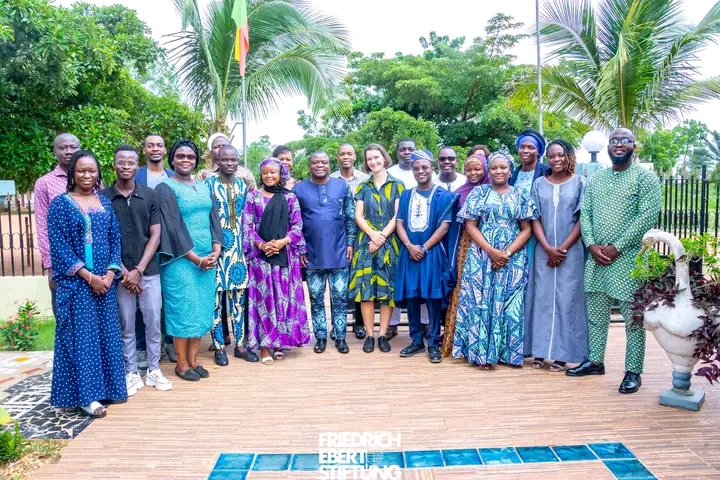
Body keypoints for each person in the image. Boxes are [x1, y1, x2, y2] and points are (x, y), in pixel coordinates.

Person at [567, 128, 662, 394]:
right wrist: (592, 244)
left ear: (634, 146)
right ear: (608, 147)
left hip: (629, 258)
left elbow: (646, 217)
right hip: (597, 258)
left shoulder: (646, 178)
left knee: (633, 319)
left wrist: (617, 247)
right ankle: (595, 361)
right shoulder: (597, 178)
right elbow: (585, 213)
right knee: (596, 315)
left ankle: (633, 371)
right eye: (614, 141)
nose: (619, 144)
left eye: (625, 140)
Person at [47, 150, 126, 417]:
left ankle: (109, 390)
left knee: (105, 336)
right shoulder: (61, 204)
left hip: (105, 283)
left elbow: (115, 240)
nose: (86, 175)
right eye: (81, 170)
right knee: (82, 339)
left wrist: (109, 275)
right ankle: (85, 396)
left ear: (98, 173)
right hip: (77, 285)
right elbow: (59, 247)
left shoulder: (104, 203)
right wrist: (89, 277)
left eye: (91, 171)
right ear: (72, 173)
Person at [452, 152, 536, 369]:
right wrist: (491, 251)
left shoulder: (520, 194)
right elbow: (470, 225)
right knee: (480, 303)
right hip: (481, 256)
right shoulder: (479, 193)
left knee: (509, 305)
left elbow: (527, 229)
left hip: (512, 259)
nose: (499, 171)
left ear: (510, 170)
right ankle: (480, 354)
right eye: (494, 168)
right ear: (489, 171)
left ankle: (506, 354)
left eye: (503, 168)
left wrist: (506, 253)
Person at [101, 145, 172, 394]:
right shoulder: (104, 198)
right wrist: (123, 271)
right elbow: (105, 238)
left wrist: (139, 270)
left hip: (148, 271)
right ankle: (131, 372)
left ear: (137, 165)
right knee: (126, 325)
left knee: (153, 323)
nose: (126, 166)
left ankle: (153, 370)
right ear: (114, 165)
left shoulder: (151, 196)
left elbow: (156, 234)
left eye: (131, 162)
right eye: (121, 162)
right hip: (118, 275)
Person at [156, 140, 223, 381]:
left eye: (190, 157)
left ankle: (194, 360)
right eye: (180, 156)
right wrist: (196, 259)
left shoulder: (204, 186)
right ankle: (181, 364)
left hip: (207, 259)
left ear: (196, 160)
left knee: (200, 309)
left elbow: (214, 218)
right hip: (180, 260)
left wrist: (216, 249)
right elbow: (173, 228)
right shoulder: (165, 187)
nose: (186, 160)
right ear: (172, 159)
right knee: (183, 309)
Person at [524, 140, 588, 372]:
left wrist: (562, 247)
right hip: (543, 250)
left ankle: (564, 353)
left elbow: (583, 218)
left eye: (560, 155)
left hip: (571, 251)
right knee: (541, 299)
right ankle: (539, 351)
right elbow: (534, 218)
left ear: (569, 156)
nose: (556, 159)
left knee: (567, 300)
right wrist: (548, 247)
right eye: (551, 156)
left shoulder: (581, 182)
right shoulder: (539, 183)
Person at [243, 158, 310, 365]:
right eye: (265, 173)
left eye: (273, 172)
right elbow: (248, 226)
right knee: (265, 299)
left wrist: (282, 242)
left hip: (285, 257)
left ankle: (280, 342)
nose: (269, 176)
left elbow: (297, 226)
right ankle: (264, 346)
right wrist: (262, 245)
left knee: (284, 297)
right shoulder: (253, 197)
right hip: (261, 259)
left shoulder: (290, 198)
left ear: (281, 174)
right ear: (261, 175)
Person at [395, 150, 457, 363]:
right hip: (409, 252)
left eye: (424, 167)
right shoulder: (405, 195)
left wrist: (423, 247)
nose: (420, 171)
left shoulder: (442, 195)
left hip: (431, 253)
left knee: (432, 296)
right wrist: (410, 246)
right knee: (412, 296)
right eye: (416, 168)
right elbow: (399, 223)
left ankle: (433, 343)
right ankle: (415, 340)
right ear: (412, 170)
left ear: (432, 168)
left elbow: (445, 226)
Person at [295, 151, 357, 354]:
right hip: (312, 254)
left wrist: (350, 243)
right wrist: (301, 247)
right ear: (309, 165)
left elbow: (350, 216)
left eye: (323, 162)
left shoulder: (342, 186)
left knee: (340, 298)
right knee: (316, 298)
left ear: (329, 164)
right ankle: (320, 337)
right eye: (315, 162)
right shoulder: (299, 189)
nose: (319, 165)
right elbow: (295, 222)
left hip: (339, 251)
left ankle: (340, 337)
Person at [205, 145, 259, 366]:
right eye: (224, 159)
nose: (229, 163)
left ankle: (239, 345)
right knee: (216, 301)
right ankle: (219, 347)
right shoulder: (207, 184)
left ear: (238, 162)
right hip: (215, 248)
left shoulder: (242, 185)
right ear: (217, 161)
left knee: (238, 300)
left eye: (233, 160)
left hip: (239, 249)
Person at [350, 144, 404, 354]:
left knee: (387, 290)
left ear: (384, 158)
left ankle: (383, 334)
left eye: (377, 157)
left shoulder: (398, 185)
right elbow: (358, 216)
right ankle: (370, 335)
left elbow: (397, 216)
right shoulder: (363, 187)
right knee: (366, 292)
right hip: (366, 244)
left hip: (389, 243)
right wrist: (373, 234)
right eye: (369, 159)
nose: (373, 162)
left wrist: (381, 237)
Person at [441, 153, 490, 357]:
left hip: (491, 245)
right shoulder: (460, 193)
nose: (473, 173)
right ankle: (459, 340)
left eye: (477, 169)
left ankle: (484, 341)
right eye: (469, 169)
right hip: (465, 245)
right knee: (464, 289)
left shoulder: (493, 191)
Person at [386, 139, 433, 338]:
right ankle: (393, 323)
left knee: (424, 281)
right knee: (400, 280)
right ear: (397, 152)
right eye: (402, 149)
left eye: (410, 149)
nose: (406, 152)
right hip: (398, 234)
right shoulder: (392, 173)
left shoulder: (430, 173)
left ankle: (424, 324)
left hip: (425, 238)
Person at [135, 134, 176, 364]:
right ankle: (142, 346)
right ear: (144, 150)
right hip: (144, 244)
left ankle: (170, 342)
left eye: (159, 145)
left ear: (164, 149)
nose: (155, 149)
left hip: (169, 246)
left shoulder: (172, 175)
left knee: (168, 297)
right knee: (143, 299)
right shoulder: (137, 174)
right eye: (150, 145)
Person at [35, 133, 81, 319]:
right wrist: (49, 264)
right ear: (55, 152)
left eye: (72, 147)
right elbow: (42, 226)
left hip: (91, 259)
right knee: (64, 316)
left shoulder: (93, 179)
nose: (68, 151)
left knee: (90, 316)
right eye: (63, 147)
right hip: (60, 263)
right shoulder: (44, 184)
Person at [329, 143, 369, 340]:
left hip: (361, 235)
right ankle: (338, 324)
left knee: (358, 279)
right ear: (337, 157)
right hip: (335, 237)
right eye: (342, 154)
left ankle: (359, 323)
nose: (346, 157)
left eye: (349, 154)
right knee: (337, 282)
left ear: (355, 157)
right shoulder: (331, 180)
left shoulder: (364, 179)